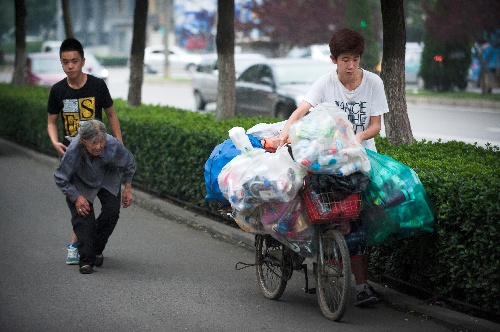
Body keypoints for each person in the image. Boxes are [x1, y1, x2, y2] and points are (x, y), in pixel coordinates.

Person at [277, 28, 389, 306]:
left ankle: (362, 287)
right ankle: (318, 263)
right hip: (328, 160)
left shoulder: (373, 83)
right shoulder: (325, 83)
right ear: (333, 59)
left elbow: (375, 125)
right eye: (345, 60)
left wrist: (358, 138)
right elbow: (300, 111)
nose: (351, 66)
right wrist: (284, 135)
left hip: (360, 161)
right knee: (320, 213)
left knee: (357, 221)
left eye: (356, 59)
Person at [47, 38, 123, 265]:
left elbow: (111, 115)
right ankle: (80, 246)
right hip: (73, 158)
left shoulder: (97, 85)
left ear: (83, 62)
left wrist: (118, 143)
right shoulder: (58, 90)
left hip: (100, 155)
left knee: (110, 209)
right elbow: (51, 121)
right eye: (65, 62)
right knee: (81, 205)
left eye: (74, 61)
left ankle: (85, 245)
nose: (70, 66)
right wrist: (54, 142)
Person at [54, 120, 136, 274]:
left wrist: (128, 188)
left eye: (101, 141)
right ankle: (85, 260)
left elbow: (129, 163)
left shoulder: (112, 144)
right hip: (81, 181)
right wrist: (77, 197)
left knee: (112, 212)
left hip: (107, 177)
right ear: (84, 141)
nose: (99, 146)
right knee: (85, 218)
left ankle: (96, 248)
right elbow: (61, 177)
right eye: (94, 142)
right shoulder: (73, 150)